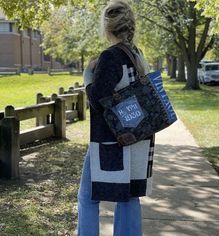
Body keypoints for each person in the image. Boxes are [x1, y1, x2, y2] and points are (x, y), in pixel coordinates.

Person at [77, 1, 155, 235]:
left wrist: (88, 75)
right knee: (129, 197)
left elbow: (99, 99)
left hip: (111, 142)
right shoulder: (136, 54)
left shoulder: (110, 57)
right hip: (137, 137)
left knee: (88, 196)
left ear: (107, 26)